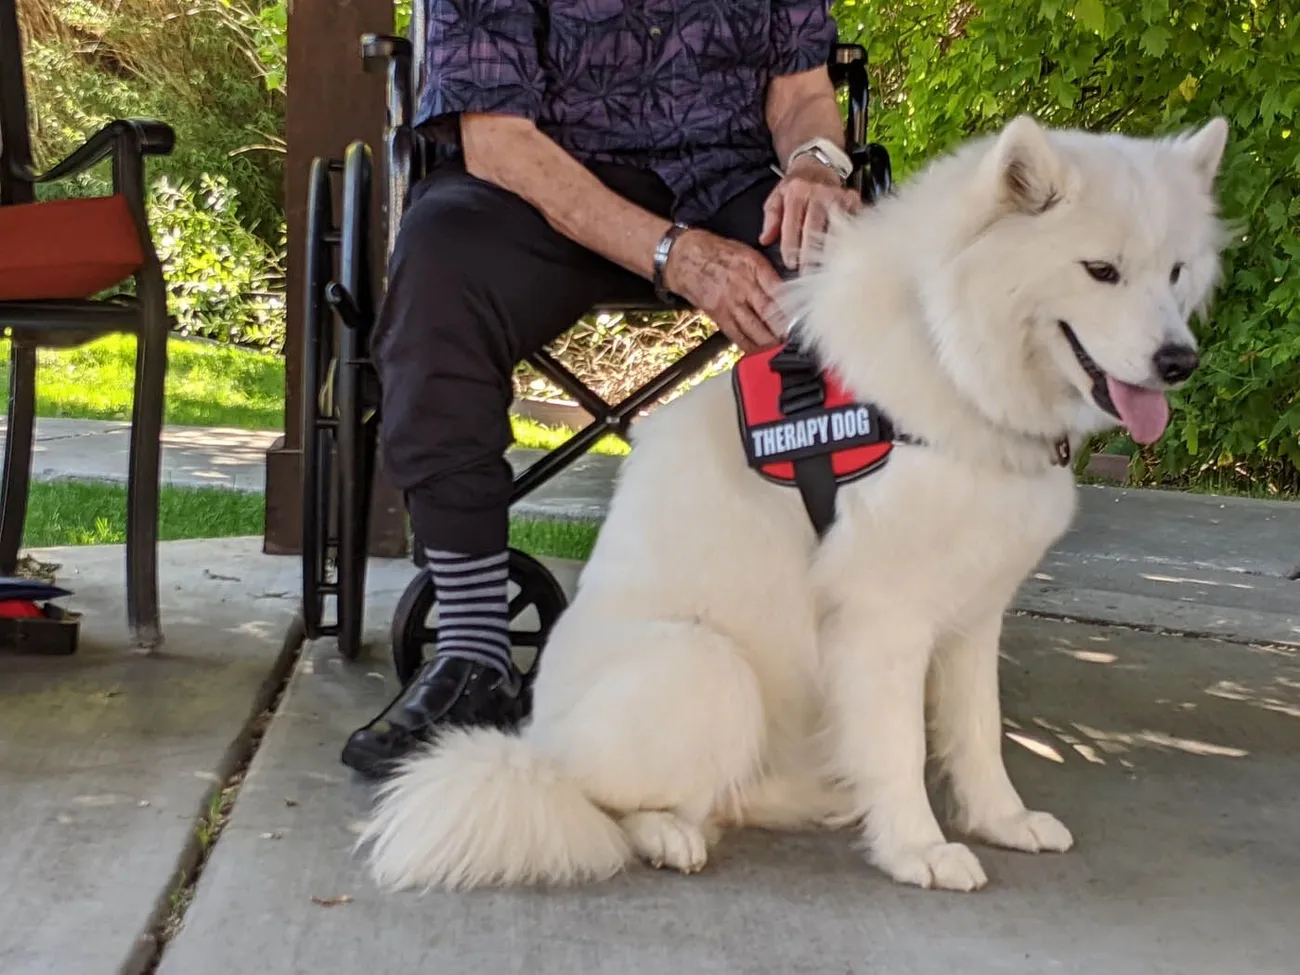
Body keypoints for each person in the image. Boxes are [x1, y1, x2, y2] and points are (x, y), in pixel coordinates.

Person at [341, 0, 863, 778]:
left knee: (853, 286)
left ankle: (845, 647)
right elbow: (498, 143)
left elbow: (801, 92)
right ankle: (475, 653)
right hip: (543, 184)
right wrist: (674, 256)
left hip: (730, 176)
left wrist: (815, 166)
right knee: (438, 270)